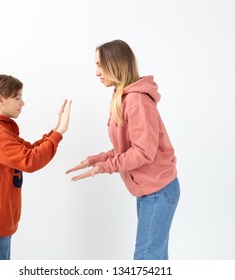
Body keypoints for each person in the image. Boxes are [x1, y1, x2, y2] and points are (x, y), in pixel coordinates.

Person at [66, 40, 179, 260]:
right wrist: (95, 160)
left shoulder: (136, 100)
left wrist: (104, 167)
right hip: (151, 190)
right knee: (154, 260)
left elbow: (143, 152)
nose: (96, 72)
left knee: (146, 260)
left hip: (158, 191)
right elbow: (127, 147)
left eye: (100, 65)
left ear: (115, 64)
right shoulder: (123, 97)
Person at [0, 74, 71, 260]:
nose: (22, 103)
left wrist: (55, 130)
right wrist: (59, 133)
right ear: (0, 100)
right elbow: (30, 160)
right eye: (17, 98)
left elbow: (28, 149)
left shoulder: (0, 129)